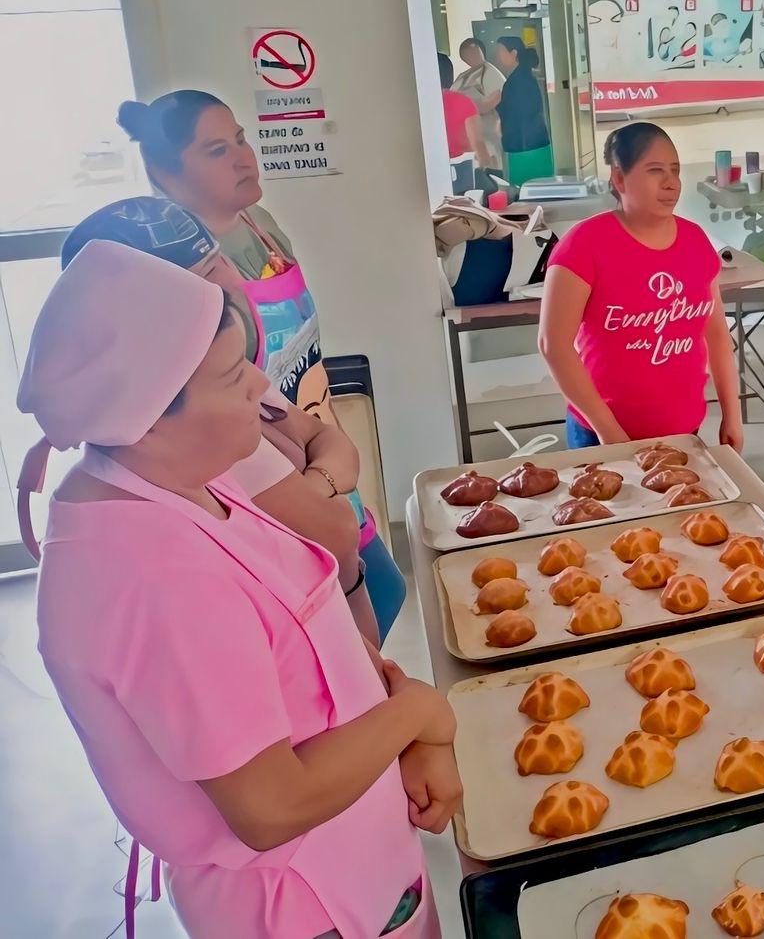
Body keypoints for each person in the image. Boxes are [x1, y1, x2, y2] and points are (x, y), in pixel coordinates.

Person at [17, 241, 459, 938]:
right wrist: (421, 715)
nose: (261, 386)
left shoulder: (190, 478)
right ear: (150, 412)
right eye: (234, 376)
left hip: (368, 860)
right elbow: (270, 806)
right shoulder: (148, 574)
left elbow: (310, 649)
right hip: (310, 905)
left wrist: (403, 723)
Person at [117, 90, 408, 643]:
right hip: (260, 479)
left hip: (312, 440)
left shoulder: (259, 225)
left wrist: (328, 454)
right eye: (215, 150)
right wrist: (315, 481)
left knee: (382, 597)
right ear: (162, 170)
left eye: (242, 140)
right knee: (345, 637)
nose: (244, 158)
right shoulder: (180, 272)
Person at [55, 196, 383, 647]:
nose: (220, 290)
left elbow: (333, 443)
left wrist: (315, 485)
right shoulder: (197, 430)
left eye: (216, 265)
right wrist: (325, 481)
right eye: (191, 284)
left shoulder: (230, 373)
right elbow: (332, 528)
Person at [539, 122, 743, 452]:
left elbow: (717, 335)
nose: (670, 183)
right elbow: (553, 345)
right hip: (601, 437)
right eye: (655, 170)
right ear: (619, 178)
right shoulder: (584, 246)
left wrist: (732, 414)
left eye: (675, 171)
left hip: (684, 434)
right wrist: (609, 433)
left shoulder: (695, 242)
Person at [495, 37, 554, 186]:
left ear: (513, 53)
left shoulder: (518, 80)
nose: (499, 56)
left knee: (528, 191)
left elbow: (519, 113)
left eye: (501, 51)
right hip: (532, 143)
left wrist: (497, 104)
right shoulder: (522, 76)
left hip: (524, 147)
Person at [452, 37, 505, 171]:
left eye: (472, 51)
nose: (469, 55)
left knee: (491, 169)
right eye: (465, 52)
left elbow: (497, 98)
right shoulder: (463, 76)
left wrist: (470, 109)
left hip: (487, 131)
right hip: (467, 136)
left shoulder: (490, 72)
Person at [438, 52, 487, 194]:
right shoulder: (464, 102)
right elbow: (477, 142)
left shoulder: (417, 106)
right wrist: (485, 167)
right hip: (462, 175)